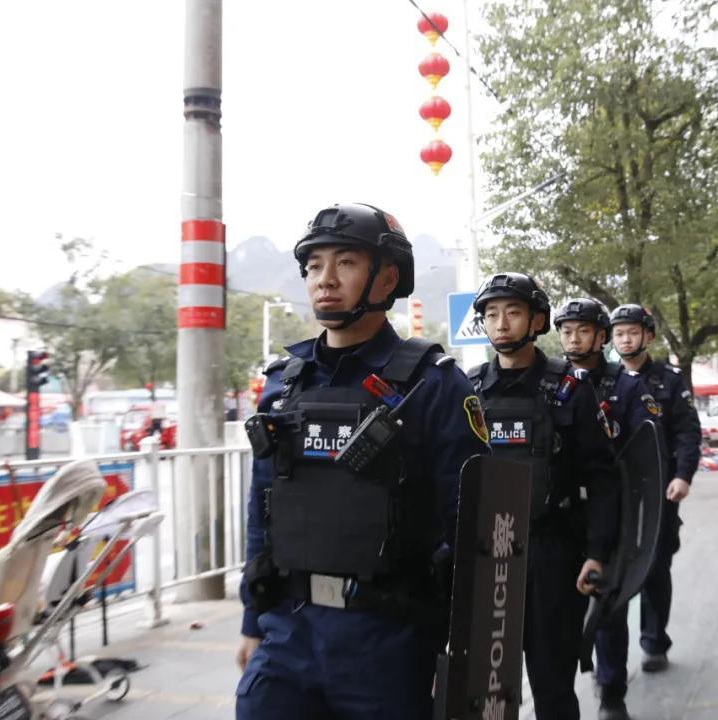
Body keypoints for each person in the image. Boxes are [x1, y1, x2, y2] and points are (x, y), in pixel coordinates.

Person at [235, 203, 489, 720]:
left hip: (389, 641)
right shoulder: (283, 385)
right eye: (314, 266)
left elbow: (475, 529)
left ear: (387, 278)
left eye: (345, 263)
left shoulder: (434, 385)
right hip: (288, 635)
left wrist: (468, 655)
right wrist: (251, 620)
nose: (324, 279)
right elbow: (262, 508)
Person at [467, 273, 619, 720]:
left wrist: (597, 553)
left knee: (552, 683)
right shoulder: (469, 389)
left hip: (552, 552)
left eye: (512, 312)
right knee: (484, 686)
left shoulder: (570, 389)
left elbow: (602, 478)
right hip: (485, 553)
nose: (501, 324)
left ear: (537, 320)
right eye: (491, 314)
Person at [553, 297, 649, 720]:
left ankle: (611, 692)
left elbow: (643, 456)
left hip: (611, 511)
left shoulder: (626, 386)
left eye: (583, 331)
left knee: (608, 605)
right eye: (566, 331)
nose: (574, 340)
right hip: (563, 515)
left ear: (601, 337)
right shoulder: (553, 383)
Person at [606, 304, 701, 675]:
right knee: (611, 567)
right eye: (619, 333)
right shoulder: (605, 379)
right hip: (616, 491)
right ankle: (608, 659)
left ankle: (654, 642)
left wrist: (683, 475)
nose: (626, 340)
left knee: (656, 567)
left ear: (648, 335)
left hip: (660, 490)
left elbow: (687, 432)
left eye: (632, 332)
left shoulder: (669, 380)